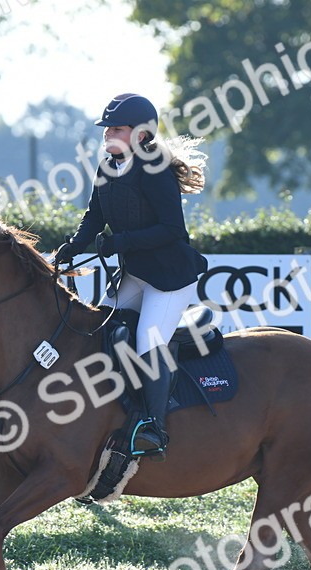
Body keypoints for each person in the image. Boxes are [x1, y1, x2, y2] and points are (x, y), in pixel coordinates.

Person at [54, 93, 208, 461]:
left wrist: (121, 241)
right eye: (107, 128)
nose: (108, 133)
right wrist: (74, 245)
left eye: (116, 128)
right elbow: (94, 216)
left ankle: (154, 426)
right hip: (136, 273)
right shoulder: (107, 167)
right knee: (100, 330)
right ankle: (111, 410)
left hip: (169, 278)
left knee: (147, 343)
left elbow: (173, 230)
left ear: (140, 134)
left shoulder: (155, 170)